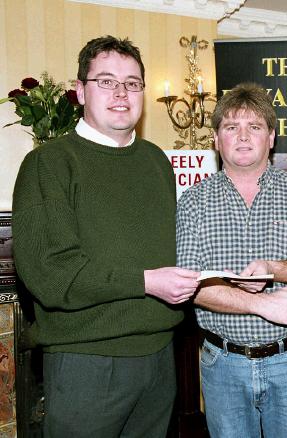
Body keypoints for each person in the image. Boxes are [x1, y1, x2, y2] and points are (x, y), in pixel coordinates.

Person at [12, 35, 200, 438]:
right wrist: (147, 282)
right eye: (107, 81)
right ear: (80, 91)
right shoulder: (48, 164)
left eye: (132, 83)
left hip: (160, 359)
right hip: (88, 364)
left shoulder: (156, 162)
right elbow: (50, 275)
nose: (121, 93)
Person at [176, 82, 287, 438]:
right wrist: (262, 305)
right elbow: (193, 286)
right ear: (217, 140)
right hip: (222, 365)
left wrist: (273, 268)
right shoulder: (193, 202)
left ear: (272, 137)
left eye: (255, 126)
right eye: (231, 127)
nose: (243, 136)